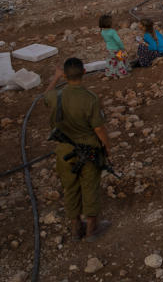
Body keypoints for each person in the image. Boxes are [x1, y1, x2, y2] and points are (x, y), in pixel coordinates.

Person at [44, 57, 112, 242]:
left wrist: (56, 78)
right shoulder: (90, 98)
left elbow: (45, 97)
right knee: (90, 186)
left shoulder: (56, 96)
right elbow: (98, 128)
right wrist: (106, 146)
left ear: (65, 75)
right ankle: (91, 228)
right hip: (88, 148)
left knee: (70, 187)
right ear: (84, 72)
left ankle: (75, 227)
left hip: (64, 150)